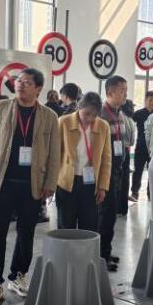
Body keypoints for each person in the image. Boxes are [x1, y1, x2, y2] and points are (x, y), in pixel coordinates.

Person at [0, 68, 60, 305]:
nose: (20, 84)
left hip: (33, 184)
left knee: (26, 232)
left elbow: (55, 153)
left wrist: (51, 183)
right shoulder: (1, 108)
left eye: (27, 82)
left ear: (38, 88)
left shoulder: (49, 116)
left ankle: (18, 276)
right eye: (19, 81)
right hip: (3, 182)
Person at [56, 92, 111, 231]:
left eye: (94, 115)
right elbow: (54, 154)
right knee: (66, 226)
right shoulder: (63, 122)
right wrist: (50, 183)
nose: (90, 118)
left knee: (89, 226)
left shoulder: (103, 126)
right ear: (79, 107)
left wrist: (103, 186)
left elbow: (106, 158)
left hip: (90, 183)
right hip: (66, 182)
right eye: (86, 114)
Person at [98, 76, 131, 271]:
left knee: (111, 215)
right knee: (105, 214)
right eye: (122, 90)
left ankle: (106, 250)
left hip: (117, 170)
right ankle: (101, 255)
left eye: (126, 90)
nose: (126, 94)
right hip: (105, 171)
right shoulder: (101, 114)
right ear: (110, 92)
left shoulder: (119, 114)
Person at [130, 91, 153, 202]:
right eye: (150, 100)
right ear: (145, 101)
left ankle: (151, 194)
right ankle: (134, 193)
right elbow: (129, 123)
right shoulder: (139, 113)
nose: (152, 102)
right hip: (140, 146)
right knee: (138, 171)